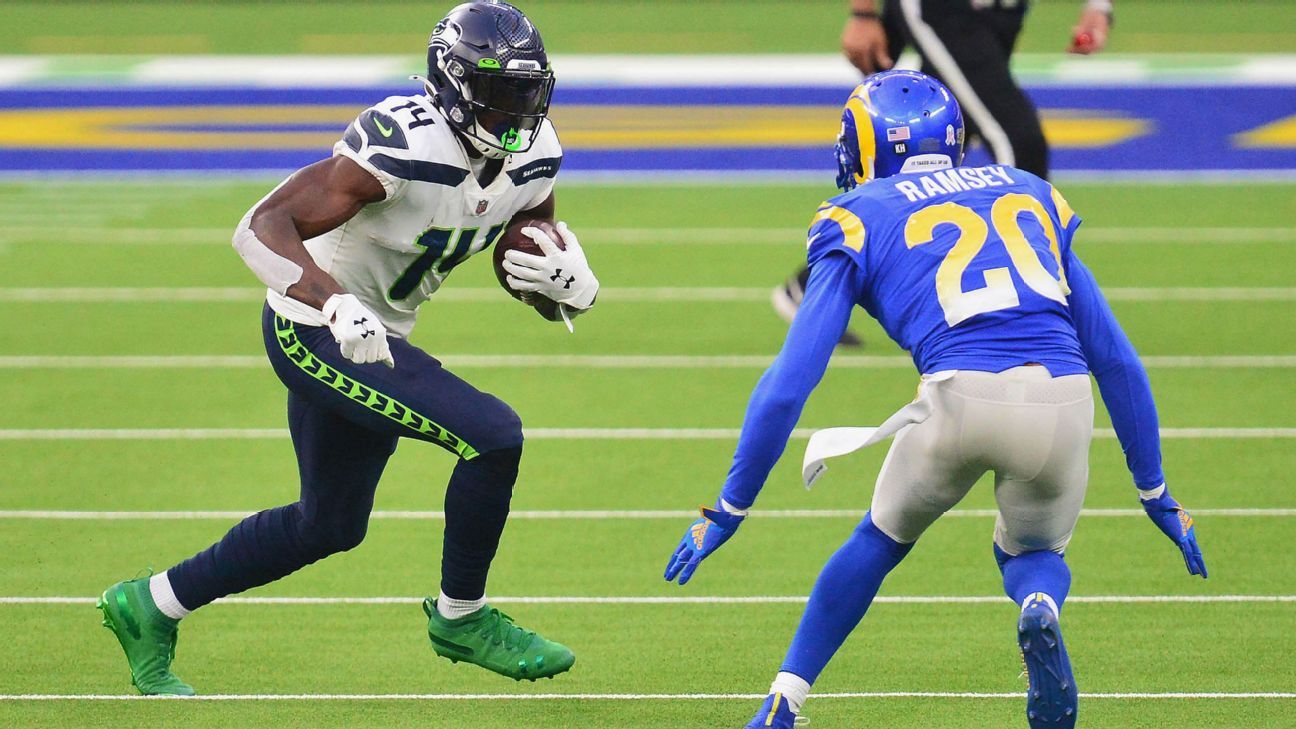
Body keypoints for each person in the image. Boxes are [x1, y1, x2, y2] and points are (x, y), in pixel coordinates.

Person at [665, 70, 1205, 729]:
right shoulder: (1029, 193)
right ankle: (1039, 604)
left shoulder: (857, 215)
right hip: (1063, 396)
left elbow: (791, 380)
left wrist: (729, 505)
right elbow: (1115, 356)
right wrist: (1156, 492)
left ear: (869, 143)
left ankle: (785, 700)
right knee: (1033, 553)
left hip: (959, 398)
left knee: (881, 537)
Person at [96, 1, 596, 695]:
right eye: (500, 91)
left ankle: (149, 604)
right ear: (454, 85)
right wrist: (330, 299)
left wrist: (564, 286)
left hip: (378, 334)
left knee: (327, 523)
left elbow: (525, 241)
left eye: (526, 91)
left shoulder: (537, 155)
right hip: (313, 330)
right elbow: (260, 224)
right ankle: (462, 616)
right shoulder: (403, 144)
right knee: (493, 436)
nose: (516, 111)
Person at [773, 0, 1116, 344]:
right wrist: (863, 13)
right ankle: (1026, 310)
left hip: (1001, 11)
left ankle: (816, 281)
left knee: (936, 146)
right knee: (1017, 142)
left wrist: (1099, 6)